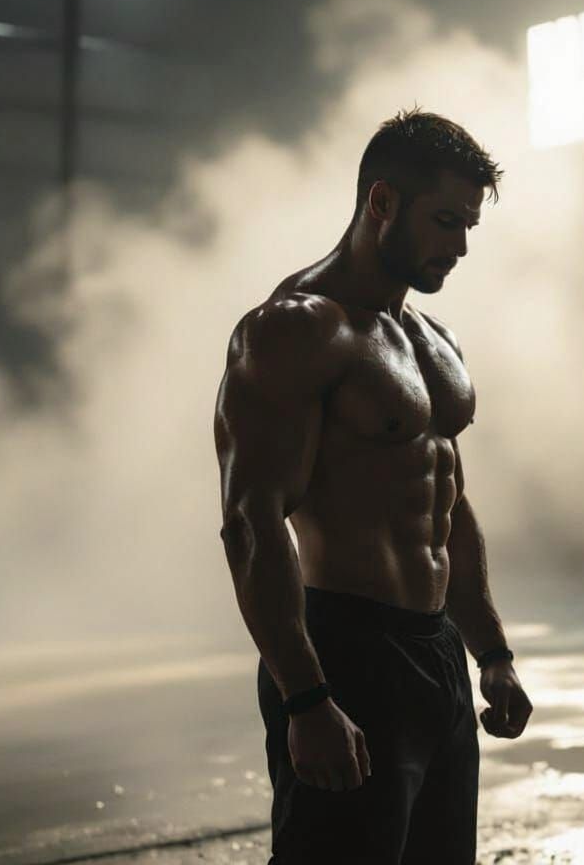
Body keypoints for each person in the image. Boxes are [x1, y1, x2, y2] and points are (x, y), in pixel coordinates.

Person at [213, 107, 533, 864]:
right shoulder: (295, 329)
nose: (460, 247)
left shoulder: (432, 339)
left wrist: (491, 652)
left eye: (469, 226)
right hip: (346, 651)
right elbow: (252, 521)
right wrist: (306, 697)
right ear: (381, 202)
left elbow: (448, 504)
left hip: (436, 652)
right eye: (445, 221)